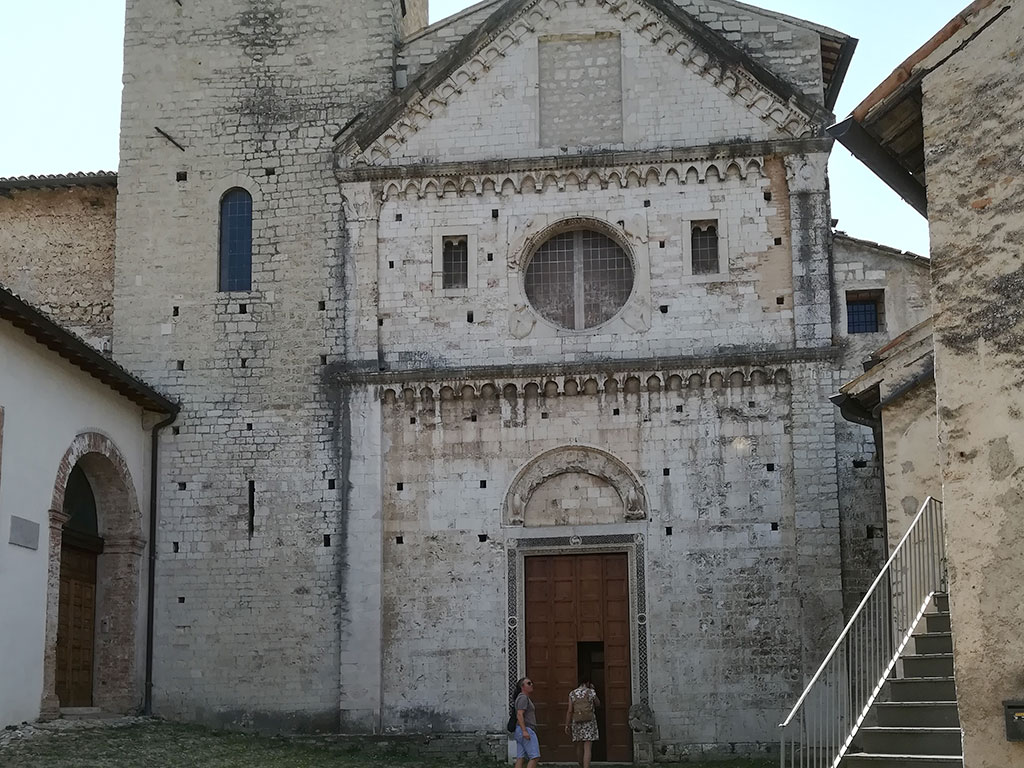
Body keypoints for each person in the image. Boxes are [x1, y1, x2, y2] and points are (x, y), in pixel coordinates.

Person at [564, 679, 600, 768]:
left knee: (579, 745)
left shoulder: (572, 693)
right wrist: (593, 690)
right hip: (589, 722)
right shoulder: (591, 692)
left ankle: (580, 765)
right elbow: (598, 703)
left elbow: (570, 711)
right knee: (587, 747)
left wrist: (567, 724)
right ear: (587, 683)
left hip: (577, 721)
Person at [514, 676, 540, 768]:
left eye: (531, 682)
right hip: (526, 729)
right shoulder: (523, 698)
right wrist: (524, 730)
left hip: (520, 730)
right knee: (534, 757)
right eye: (528, 683)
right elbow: (520, 714)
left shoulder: (522, 698)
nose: (531, 685)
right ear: (522, 686)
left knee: (520, 757)